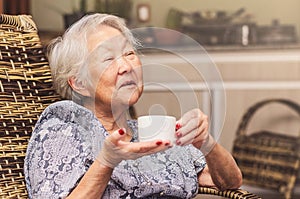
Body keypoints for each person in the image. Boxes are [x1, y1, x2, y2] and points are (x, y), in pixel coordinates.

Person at [24, 13, 242, 199]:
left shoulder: (152, 135)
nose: (126, 66)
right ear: (79, 83)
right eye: (108, 59)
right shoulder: (63, 130)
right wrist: (107, 161)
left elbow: (228, 182)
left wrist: (207, 144)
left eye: (129, 53)